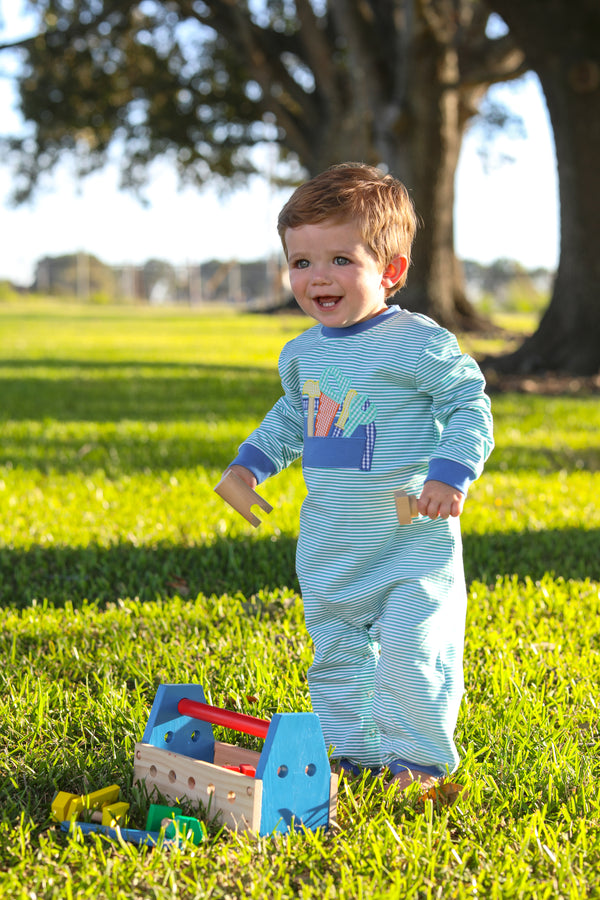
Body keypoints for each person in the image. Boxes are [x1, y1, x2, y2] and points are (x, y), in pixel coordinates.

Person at [223, 162, 494, 789]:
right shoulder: (303, 352)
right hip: (331, 546)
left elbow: (468, 403)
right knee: (338, 658)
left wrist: (451, 473)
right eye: (302, 263)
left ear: (391, 271)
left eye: (341, 260)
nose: (318, 277)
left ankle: (419, 764)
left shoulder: (415, 344)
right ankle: (352, 754)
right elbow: (293, 416)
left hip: (409, 541)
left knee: (410, 656)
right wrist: (248, 465)